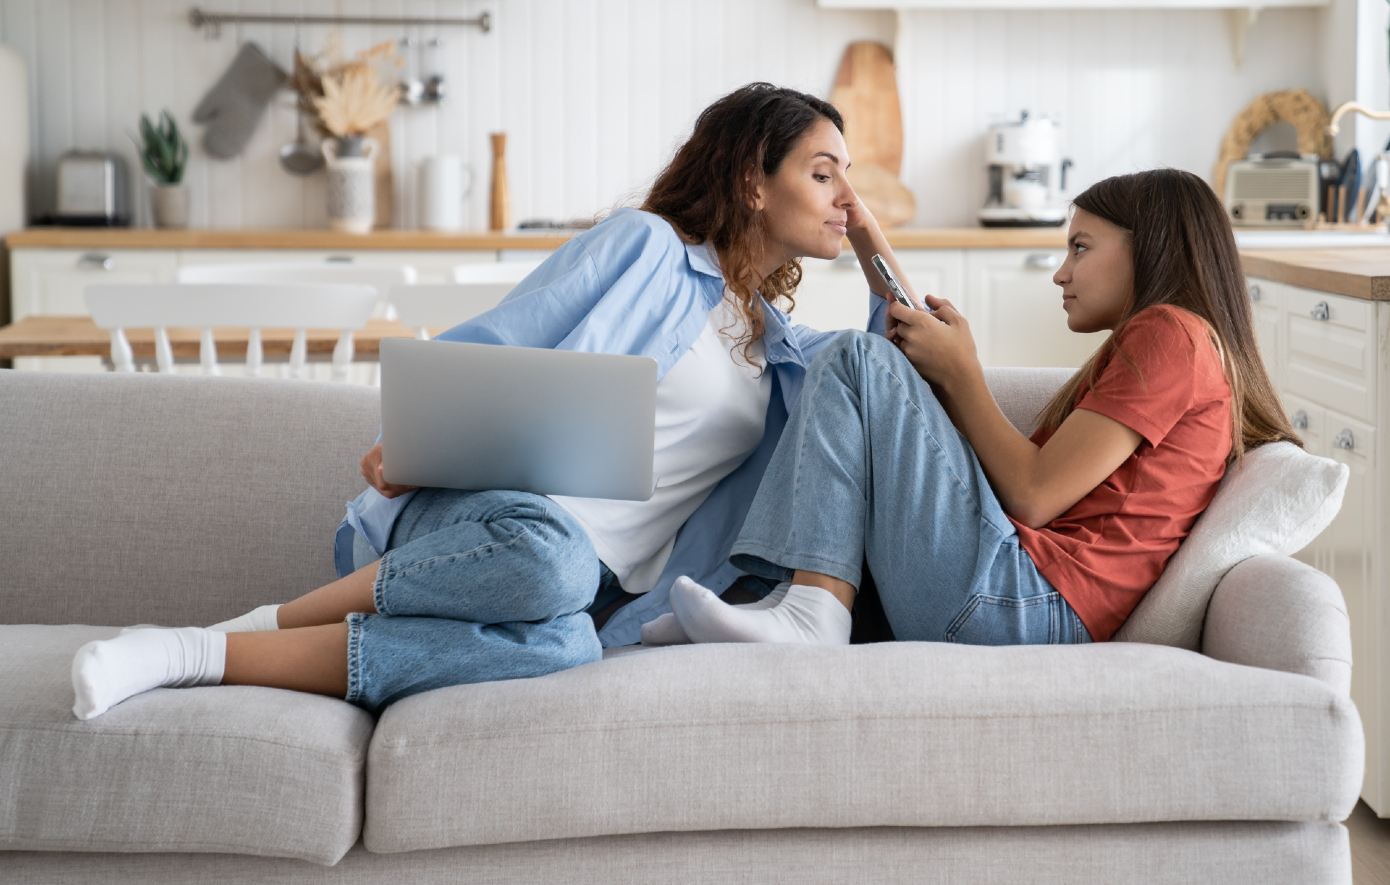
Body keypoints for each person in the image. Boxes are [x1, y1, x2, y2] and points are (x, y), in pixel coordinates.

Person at [68, 82, 913, 720]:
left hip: (587, 592)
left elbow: (887, 370)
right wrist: (414, 436)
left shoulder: (787, 355)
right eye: (824, 173)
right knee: (551, 556)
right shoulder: (649, 248)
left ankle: (200, 654)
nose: (849, 197)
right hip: (489, 521)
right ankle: (251, 623)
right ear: (753, 183)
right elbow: (504, 339)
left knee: (572, 640)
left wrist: (875, 244)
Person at [654, 168, 1301, 649]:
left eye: (1081, 247)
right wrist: (865, 231)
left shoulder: (1172, 335)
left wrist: (964, 375)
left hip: (1025, 605)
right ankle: (779, 599)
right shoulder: (1166, 345)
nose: (1060, 272)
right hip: (1017, 593)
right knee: (873, 365)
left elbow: (1032, 494)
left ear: (1151, 246)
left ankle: (805, 608)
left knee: (857, 357)